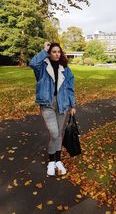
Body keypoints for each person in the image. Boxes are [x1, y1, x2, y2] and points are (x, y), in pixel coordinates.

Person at [29, 42, 76, 176]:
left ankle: (58, 160)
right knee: (54, 133)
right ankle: (51, 161)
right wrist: (44, 50)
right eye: (53, 51)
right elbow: (32, 63)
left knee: (59, 133)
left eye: (58, 52)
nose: (56, 54)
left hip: (62, 103)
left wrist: (72, 105)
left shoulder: (65, 68)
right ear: (49, 53)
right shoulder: (42, 67)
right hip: (47, 104)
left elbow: (70, 88)